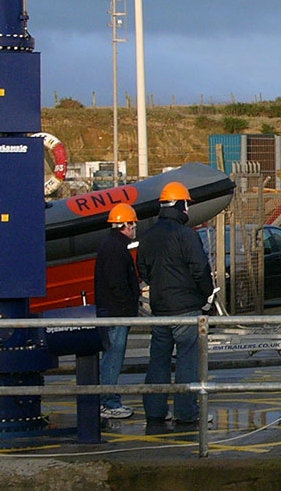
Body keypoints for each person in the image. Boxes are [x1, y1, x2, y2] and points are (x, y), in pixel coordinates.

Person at [137, 181, 214, 431]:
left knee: (158, 361)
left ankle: (155, 411)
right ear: (181, 205)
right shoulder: (186, 235)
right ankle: (187, 412)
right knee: (187, 361)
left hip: (159, 309)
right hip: (186, 308)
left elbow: (144, 270)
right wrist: (206, 296)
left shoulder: (147, 236)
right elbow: (200, 269)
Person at [94, 203, 140, 420]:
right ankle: (108, 402)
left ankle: (106, 399)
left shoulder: (111, 245)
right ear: (126, 225)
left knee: (110, 357)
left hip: (112, 310)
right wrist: (128, 307)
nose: (134, 228)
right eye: (133, 224)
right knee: (113, 358)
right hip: (116, 313)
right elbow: (117, 283)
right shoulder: (115, 248)